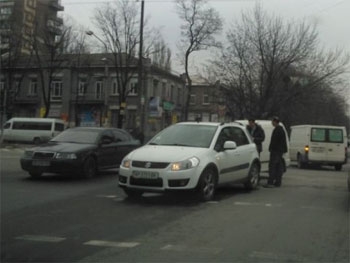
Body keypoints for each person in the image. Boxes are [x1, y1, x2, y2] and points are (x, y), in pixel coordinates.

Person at [264, 116, 288, 188]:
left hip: (275, 151)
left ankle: (270, 182)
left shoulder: (277, 130)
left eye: (272, 121)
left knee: (272, 166)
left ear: (275, 122)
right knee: (278, 167)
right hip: (280, 151)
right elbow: (284, 141)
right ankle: (278, 182)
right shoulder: (281, 130)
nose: (272, 123)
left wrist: (271, 148)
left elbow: (274, 141)